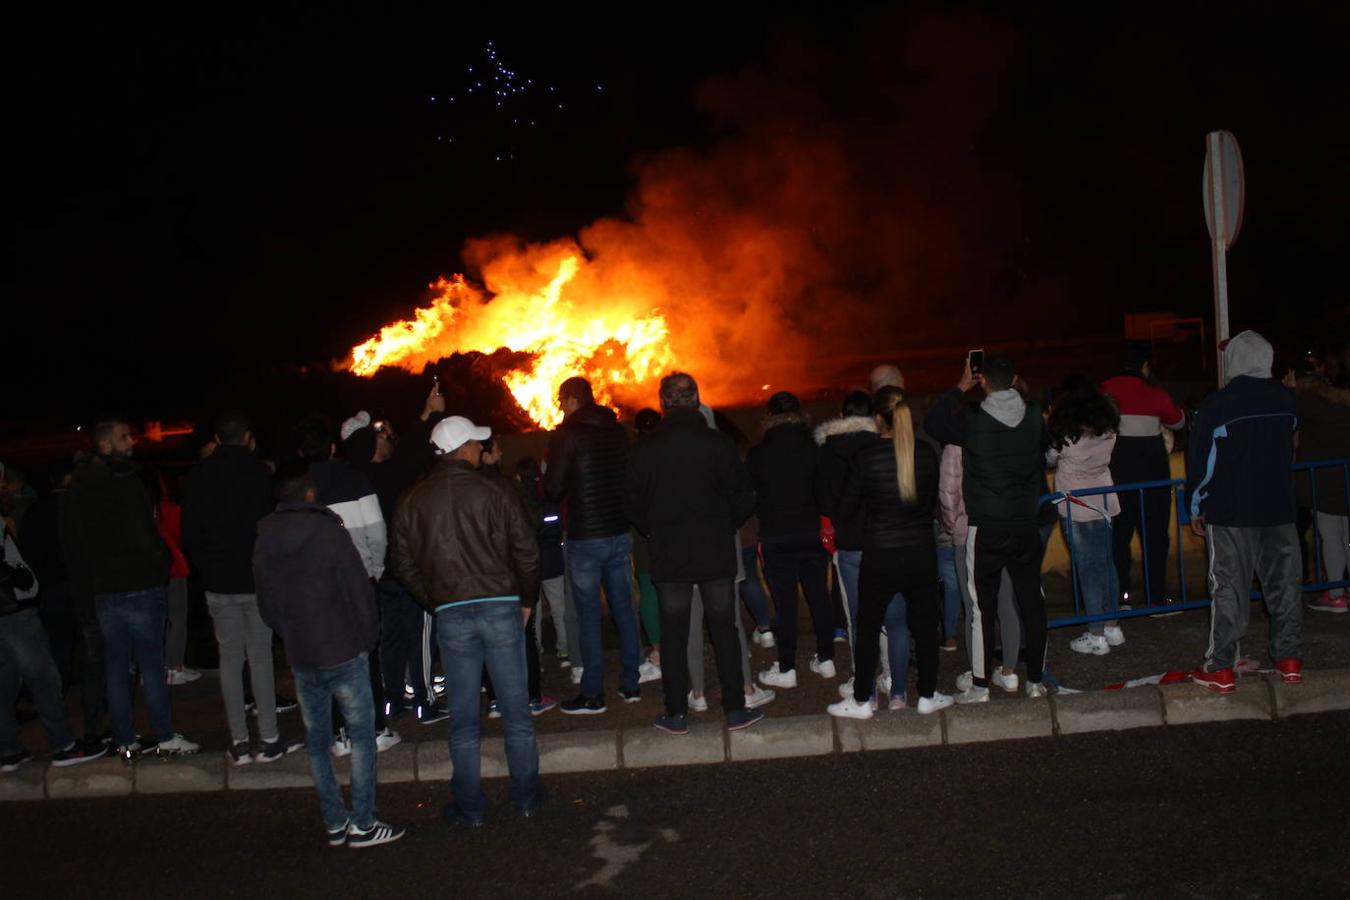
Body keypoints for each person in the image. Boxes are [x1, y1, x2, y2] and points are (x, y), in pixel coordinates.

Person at [391, 415, 546, 825]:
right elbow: (527, 551)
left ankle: (471, 805)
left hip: (452, 613)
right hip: (500, 607)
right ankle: (527, 795)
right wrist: (526, 599)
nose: (481, 448)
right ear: (461, 449)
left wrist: (435, 600)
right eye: (476, 443)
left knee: (463, 716)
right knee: (515, 708)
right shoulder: (496, 491)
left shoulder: (412, 499)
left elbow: (402, 563)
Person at [254, 467, 404, 848]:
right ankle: (364, 822)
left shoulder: (265, 535)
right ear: (308, 494)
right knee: (362, 736)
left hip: (302, 652)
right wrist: (367, 638)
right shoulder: (328, 531)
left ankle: (335, 820)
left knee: (318, 741)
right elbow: (358, 589)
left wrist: (289, 631)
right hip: (341, 648)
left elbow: (266, 601)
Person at [625, 373, 764, 734]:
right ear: (696, 398)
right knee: (725, 629)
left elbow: (631, 503)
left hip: (670, 556)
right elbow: (745, 495)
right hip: (714, 551)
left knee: (673, 634)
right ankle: (734, 710)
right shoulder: (718, 444)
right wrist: (726, 525)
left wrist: (652, 530)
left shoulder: (645, 449)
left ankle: (676, 714)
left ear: (663, 402)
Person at [60, 416, 198, 757]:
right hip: (139, 585)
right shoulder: (125, 481)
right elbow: (144, 534)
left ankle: (124, 739)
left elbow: (73, 542)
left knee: (117, 667)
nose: (132, 442)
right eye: (125, 437)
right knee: (150, 666)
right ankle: (164, 736)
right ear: (105, 443)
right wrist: (160, 564)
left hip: (105, 590)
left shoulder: (78, 486)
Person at [925, 354, 1050, 701]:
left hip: (986, 525)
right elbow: (1044, 447)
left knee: (982, 605)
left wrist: (959, 387)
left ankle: (980, 686)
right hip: (1025, 521)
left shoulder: (972, 419)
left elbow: (934, 422)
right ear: (1014, 380)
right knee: (1031, 601)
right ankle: (1035, 681)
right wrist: (1022, 390)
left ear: (983, 382)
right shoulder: (1035, 416)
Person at [1186, 331, 1302, 692]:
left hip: (1231, 511)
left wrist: (1196, 504)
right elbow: (1293, 446)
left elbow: (1202, 462)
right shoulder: (1287, 400)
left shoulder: (1219, 404)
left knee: (1228, 588)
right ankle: (1289, 659)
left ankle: (1220, 666)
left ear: (1235, 360)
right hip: (1279, 508)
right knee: (1285, 587)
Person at [828, 387, 952, 718]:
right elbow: (929, 506)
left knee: (868, 626)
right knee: (925, 625)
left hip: (880, 553)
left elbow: (845, 510)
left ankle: (861, 701)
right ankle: (926, 695)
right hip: (920, 552)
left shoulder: (865, 457)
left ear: (877, 420)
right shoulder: (926, 453)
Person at [183, 410, 294, 765]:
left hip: (217, 581)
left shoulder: (198, 476)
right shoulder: (258, 474)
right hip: (253, 578)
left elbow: (191, 535)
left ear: (216, 439)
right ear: (247, 436)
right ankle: (270, 738)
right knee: (260, 656)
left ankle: (239, 741)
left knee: (229, 658)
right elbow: (270, 527)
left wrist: (207, 568)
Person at [341, 387, 450, 726]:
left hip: (379, 575)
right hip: (403, 569)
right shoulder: (383, 476)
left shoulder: (355, 477)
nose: (390, 438)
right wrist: (430, 414)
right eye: (384, 435)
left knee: (390, 636)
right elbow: (413, 459)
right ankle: (424, 701)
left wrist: (423, 415)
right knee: (419, 633)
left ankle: (392, 699)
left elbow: (406, 457)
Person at [297, 415, 399, 753]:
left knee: (329, 656)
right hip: (357, 580)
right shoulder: (354, 478)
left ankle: (339, 734)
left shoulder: (296, 488)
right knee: (364, 654)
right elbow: (376, 530)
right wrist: (375, 568)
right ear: (331, 448)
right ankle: (373, 730)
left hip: (314, 587)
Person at [543, 376, 642, 714]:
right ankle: (631, 684)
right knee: (624, 610)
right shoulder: (617, 431)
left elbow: (554, 488)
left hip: (585, 535)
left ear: (572, 399)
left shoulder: (566, 434)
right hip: (618, 531)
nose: (560, 407)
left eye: (561, 400)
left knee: (588, 616)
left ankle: (593, 694)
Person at [815, 389, 902, 703]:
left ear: (842, 414)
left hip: (850, 542)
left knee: (857, 615)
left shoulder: (828, 451)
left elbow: (823, 499)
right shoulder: (881, 444)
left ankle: (860, 678)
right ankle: (892, 677)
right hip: (884, 540)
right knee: (889, 613)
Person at [748, 391, 836, 689]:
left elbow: (752, 496)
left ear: (769, 417)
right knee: (819, 597)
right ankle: (826, 659)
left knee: (784, 604)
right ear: (801, 414)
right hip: (811, 534)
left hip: (776, 536)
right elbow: (826, 492)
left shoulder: (759, 454)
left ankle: (787, 667)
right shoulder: (815, 448)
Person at [1100, 343, 1186, 608]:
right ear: (1146, 366)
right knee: (1155, 539)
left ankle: (1121, 596)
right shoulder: (1154, 391)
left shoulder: (1105, 389)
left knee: (1118, 539)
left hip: (1116, 478)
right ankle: (1155, 598)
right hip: (1152, 480)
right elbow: (1178, 421)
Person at [1045, 375, 1123, 656]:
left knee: (1088, 569)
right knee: (1106, 563)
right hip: (1103, 498)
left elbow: (1051, 459)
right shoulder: (1108, 424)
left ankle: (1096, 634)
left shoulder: (1066, 429)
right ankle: (1112, 626)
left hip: (1075, 502)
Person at [939, 443, 1023, 694]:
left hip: (969, 531)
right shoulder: (1005, 438)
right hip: (1003, 527)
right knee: (1005, 601)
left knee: (973, 605)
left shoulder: (956, 448)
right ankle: (1009, 672)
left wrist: (954, 526)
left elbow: (948, 494)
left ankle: (978, 674)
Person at [1288, 354, 1350, 612]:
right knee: (1345, 537)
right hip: (1343, 478)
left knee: (1330, 536)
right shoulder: (1337, 404)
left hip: (1323, 481)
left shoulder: (1306, 403)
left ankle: (1336, 593)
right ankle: (1341, 591)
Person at [141, 466, 197, 685]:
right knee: (177, 618)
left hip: (146, 573)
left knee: (154, 621)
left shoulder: (135, 512)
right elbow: (179, 536)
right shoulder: (169, 509)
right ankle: (174, 666)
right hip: (172, 569)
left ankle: (153, 668)